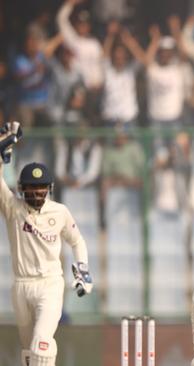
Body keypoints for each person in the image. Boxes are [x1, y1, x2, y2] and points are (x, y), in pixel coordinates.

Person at [0, 122, 93, 366]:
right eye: (32, 187)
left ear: (49, 188)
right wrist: (1, 154)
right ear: (22, 189)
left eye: (42, 187)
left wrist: (82, 268)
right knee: (29, 350)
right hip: (21, 286)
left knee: (41, 342)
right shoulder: (13, 208)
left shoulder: (59, 212)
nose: (38, 192)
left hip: (49, 285)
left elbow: (77, 241)